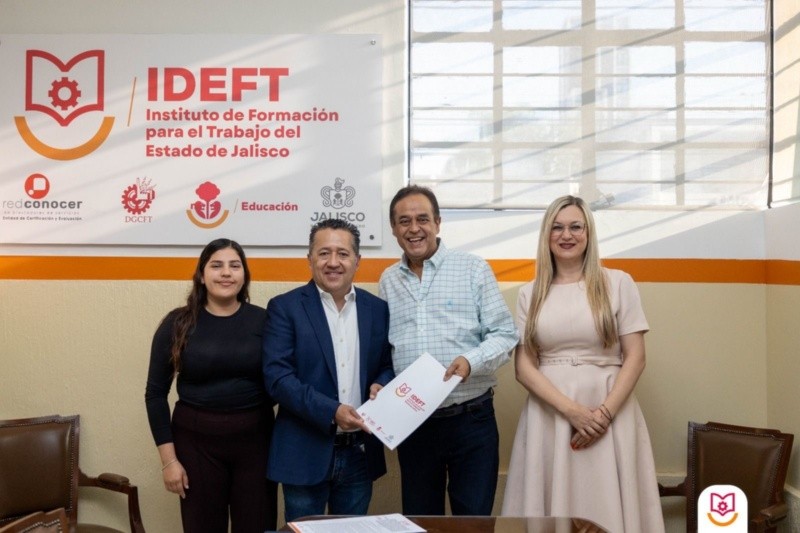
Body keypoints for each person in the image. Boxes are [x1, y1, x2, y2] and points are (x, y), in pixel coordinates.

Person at [501, 195, 665, 532]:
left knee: (606, 499)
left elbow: (636, 356)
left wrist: (603, 415)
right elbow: (524, 367)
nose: (567, 235)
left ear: (588, 233)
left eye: (576, 227)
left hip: (611, 411)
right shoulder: (530, 293)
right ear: (546, 235)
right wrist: (573, 412)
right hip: (550, 413)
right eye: (557, 228)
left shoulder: (618, 283)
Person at [378, 185, 519, 516]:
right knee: (420, 519)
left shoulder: (473, 268)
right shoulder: (388, 280)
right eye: (404, 221)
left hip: (471, 420)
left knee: (472, 521)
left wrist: (471, 361)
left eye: (423, 219)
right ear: (394, 229)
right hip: (414, 423)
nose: (414, 228)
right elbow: (386, 349)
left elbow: (505, 335)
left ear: (438, 223)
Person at [263, 218, 394, 523]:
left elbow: (387, 365)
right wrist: (332, 411)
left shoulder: (377, 309)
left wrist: (381, 383)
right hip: (303, 452)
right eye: (324, 253)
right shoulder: (285, 308)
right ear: (310, 259)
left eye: (343, 253)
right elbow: (278, 379)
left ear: (357, 260)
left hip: (360, 453)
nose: (333, 262)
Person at [144, 238, 277, 533]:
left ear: (244, 275)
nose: (226, 273)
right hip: (195, 446)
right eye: (216, 265)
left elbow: (282, 380)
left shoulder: (265, 321)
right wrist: (169, 462)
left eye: (235, 266)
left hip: (256, 445)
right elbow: (155, 395)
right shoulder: (177, 323)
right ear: (202, 275)